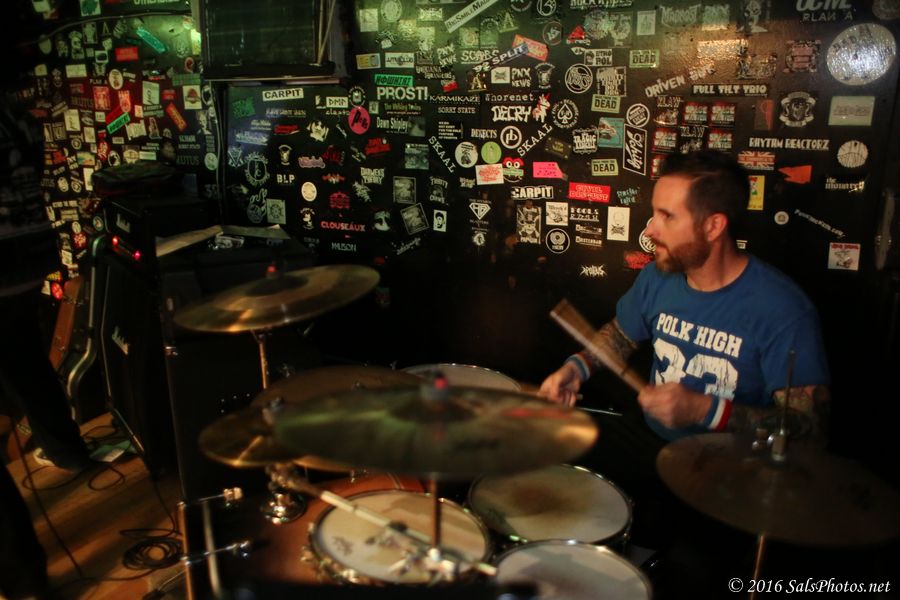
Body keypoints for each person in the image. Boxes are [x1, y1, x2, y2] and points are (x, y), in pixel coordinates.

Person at [539, 150, 830, 595]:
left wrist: (706, 410)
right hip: (652, 439)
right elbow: (621, 334)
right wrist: (576, 368)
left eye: (666, 216)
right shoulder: (660, 276)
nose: (649, 229)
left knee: (689, 575)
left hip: (729, 467)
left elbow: (809, 432)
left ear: (713, 226)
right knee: (552, 465)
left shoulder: (783, 311)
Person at [0, 85, 93, 599]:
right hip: (26, 260)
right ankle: (65, 449)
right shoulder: (13, 112)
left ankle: (20, 577)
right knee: (26, 361)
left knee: (24, 361)